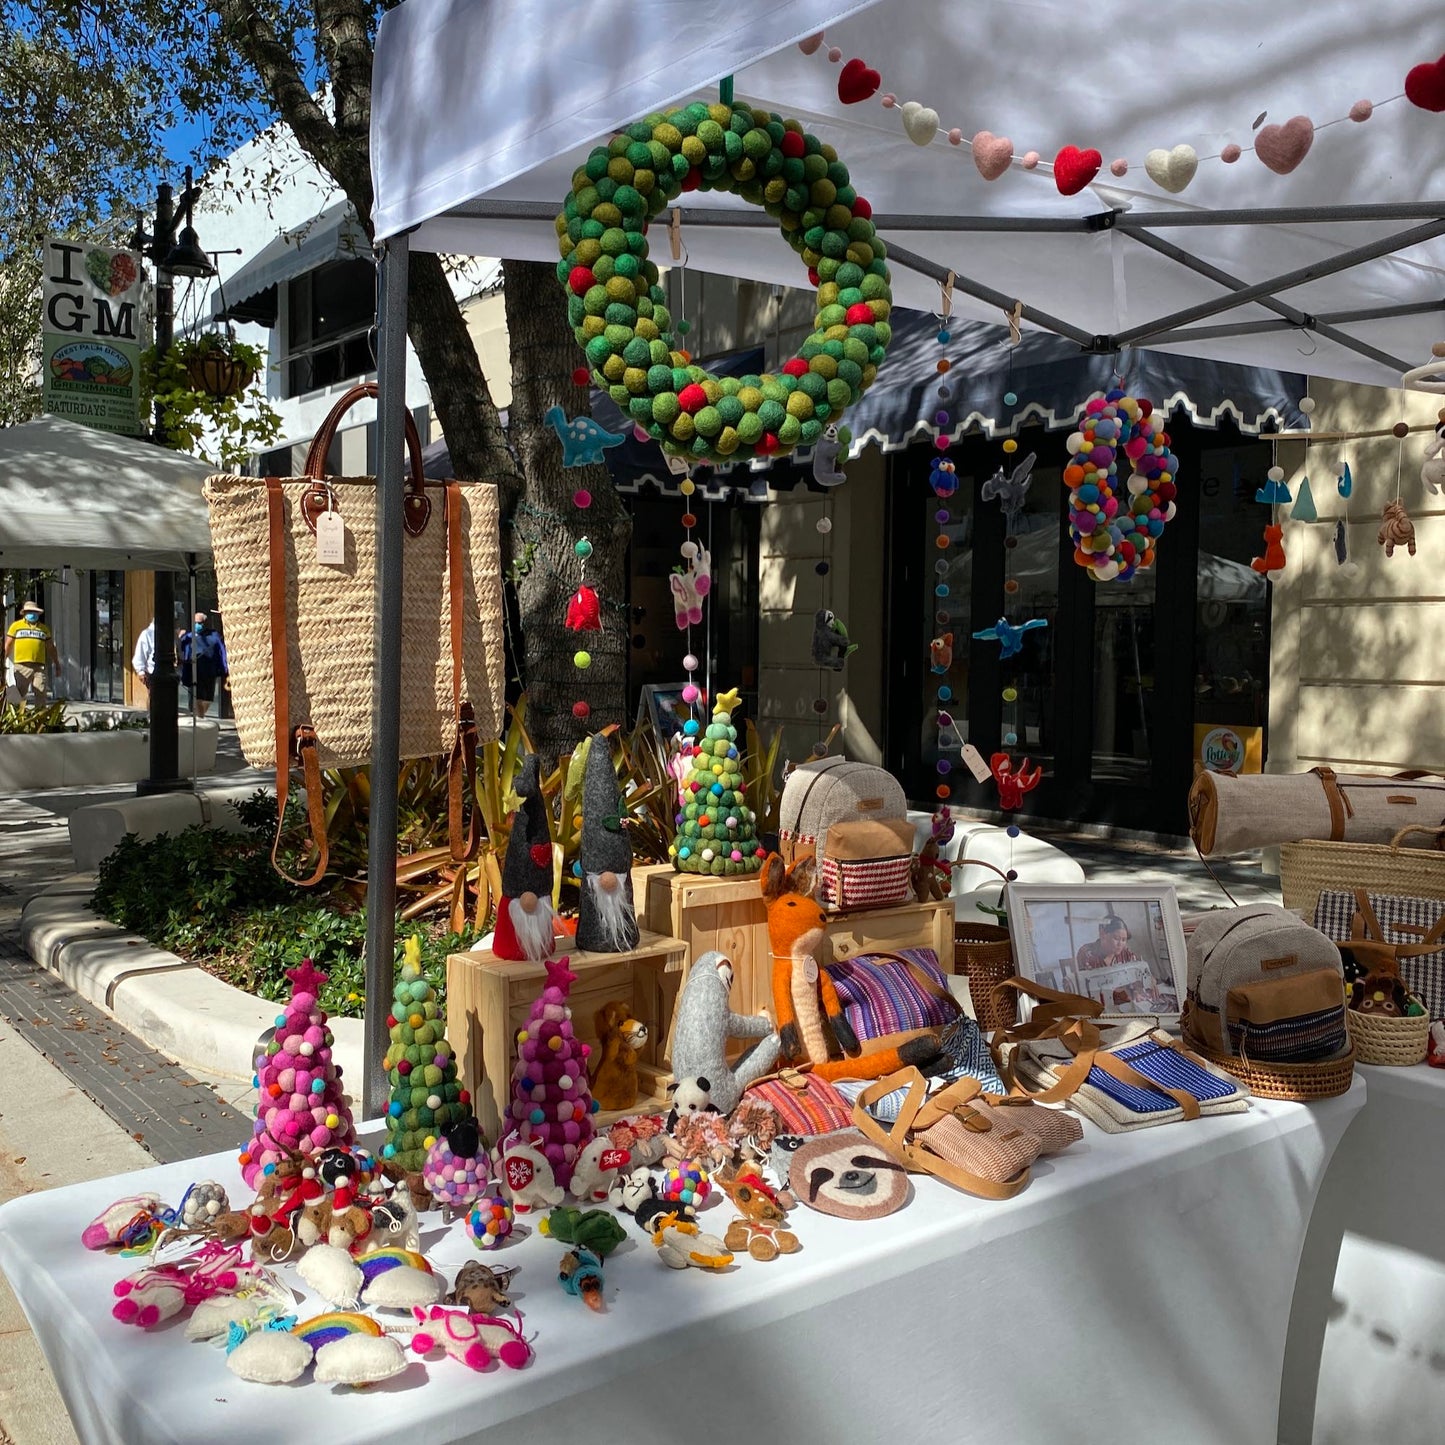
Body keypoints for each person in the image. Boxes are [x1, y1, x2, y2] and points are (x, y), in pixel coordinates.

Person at [5, 601, 59, 704]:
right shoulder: (16, 626)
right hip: (22, 666)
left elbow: (51, 647)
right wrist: (3, 660)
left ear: (38, 613)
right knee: (19, 694)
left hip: (39, 667)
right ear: (24, 613)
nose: (32, 614)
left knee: (41, 692)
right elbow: (8, 645)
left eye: (34, 612)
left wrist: (57, 663)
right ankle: (18, 716)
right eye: (29, 611)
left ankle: (39, 717)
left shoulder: (44, 629)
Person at [179, 611, 228, 718]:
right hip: (194, 670)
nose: (198, 625)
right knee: (197, 695)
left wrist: (224, 667)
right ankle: (199, 717)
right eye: (196, 622)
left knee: (209, 697)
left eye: (200, 623)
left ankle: (201, 714)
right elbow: (182, 651)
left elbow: (221, 651)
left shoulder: (214, 636)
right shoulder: (188, 637)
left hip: (209, 671)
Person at [1075, 915, 1140, 972]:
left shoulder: (1126, 954)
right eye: (1116, 938)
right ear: (1102, 935)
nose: (1120, 944)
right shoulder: (1087, 953)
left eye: (1124, 940)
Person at [131, 619, 155, 693]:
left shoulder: (169, 634)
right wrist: (141, 672)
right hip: (152, 673)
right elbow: (139, 654)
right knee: (154, 700)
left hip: (168, 673)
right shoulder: (147, 633)